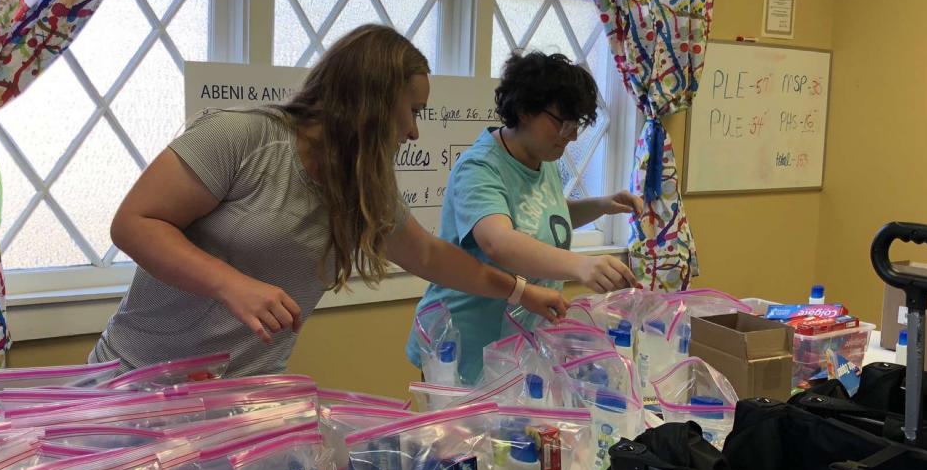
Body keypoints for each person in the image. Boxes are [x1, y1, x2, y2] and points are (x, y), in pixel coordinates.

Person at [92, 25, 567, 376]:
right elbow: (134, 224)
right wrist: (230, 284)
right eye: (412, 111)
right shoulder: (243, 137)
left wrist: (521, 292)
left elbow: (428, 255)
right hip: (137, 379)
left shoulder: (362, 186)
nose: (413, 131)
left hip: (241, 398)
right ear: (372, 101)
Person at [406, 51, 642, 384]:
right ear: (524, 110)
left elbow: (543, 219)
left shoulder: (543, 161)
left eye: (576, 125)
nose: (571, 135)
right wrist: (581, 265)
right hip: (462, 348)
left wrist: (601, 205)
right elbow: (499, 241)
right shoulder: (479, 167)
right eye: (562, 123)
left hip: (518, 347)